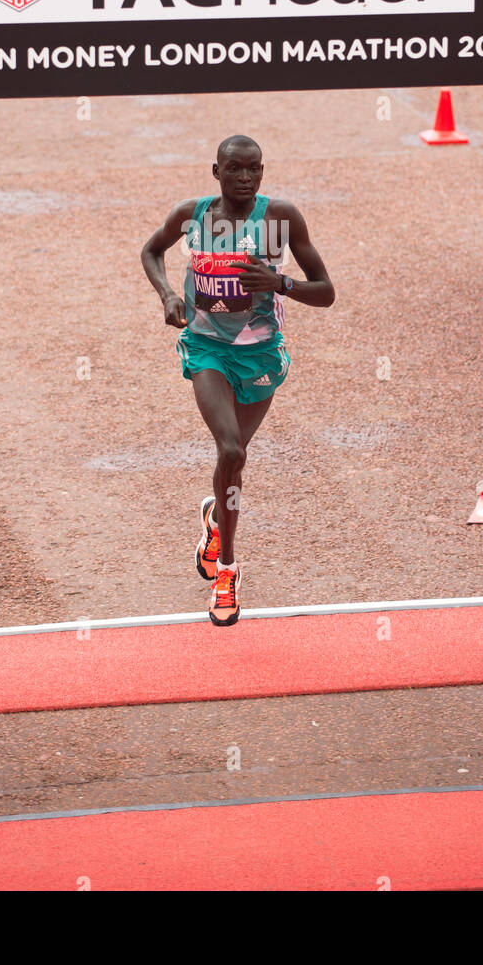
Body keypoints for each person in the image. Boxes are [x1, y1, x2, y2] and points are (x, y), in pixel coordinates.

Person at [140, 135, 336, 626]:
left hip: (261, 356)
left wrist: (280, 283)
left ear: (263, 173)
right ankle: (227, 570)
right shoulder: (192, 216)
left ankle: (214, 519)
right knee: (231, 451)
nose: (244, 178)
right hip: (207, 348)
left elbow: (327, 292)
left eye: (253, 170)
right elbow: (150, 251)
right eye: (234, 170)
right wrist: (167, 295)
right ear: (216, 171)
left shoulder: (280, 219)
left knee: (233, 462)